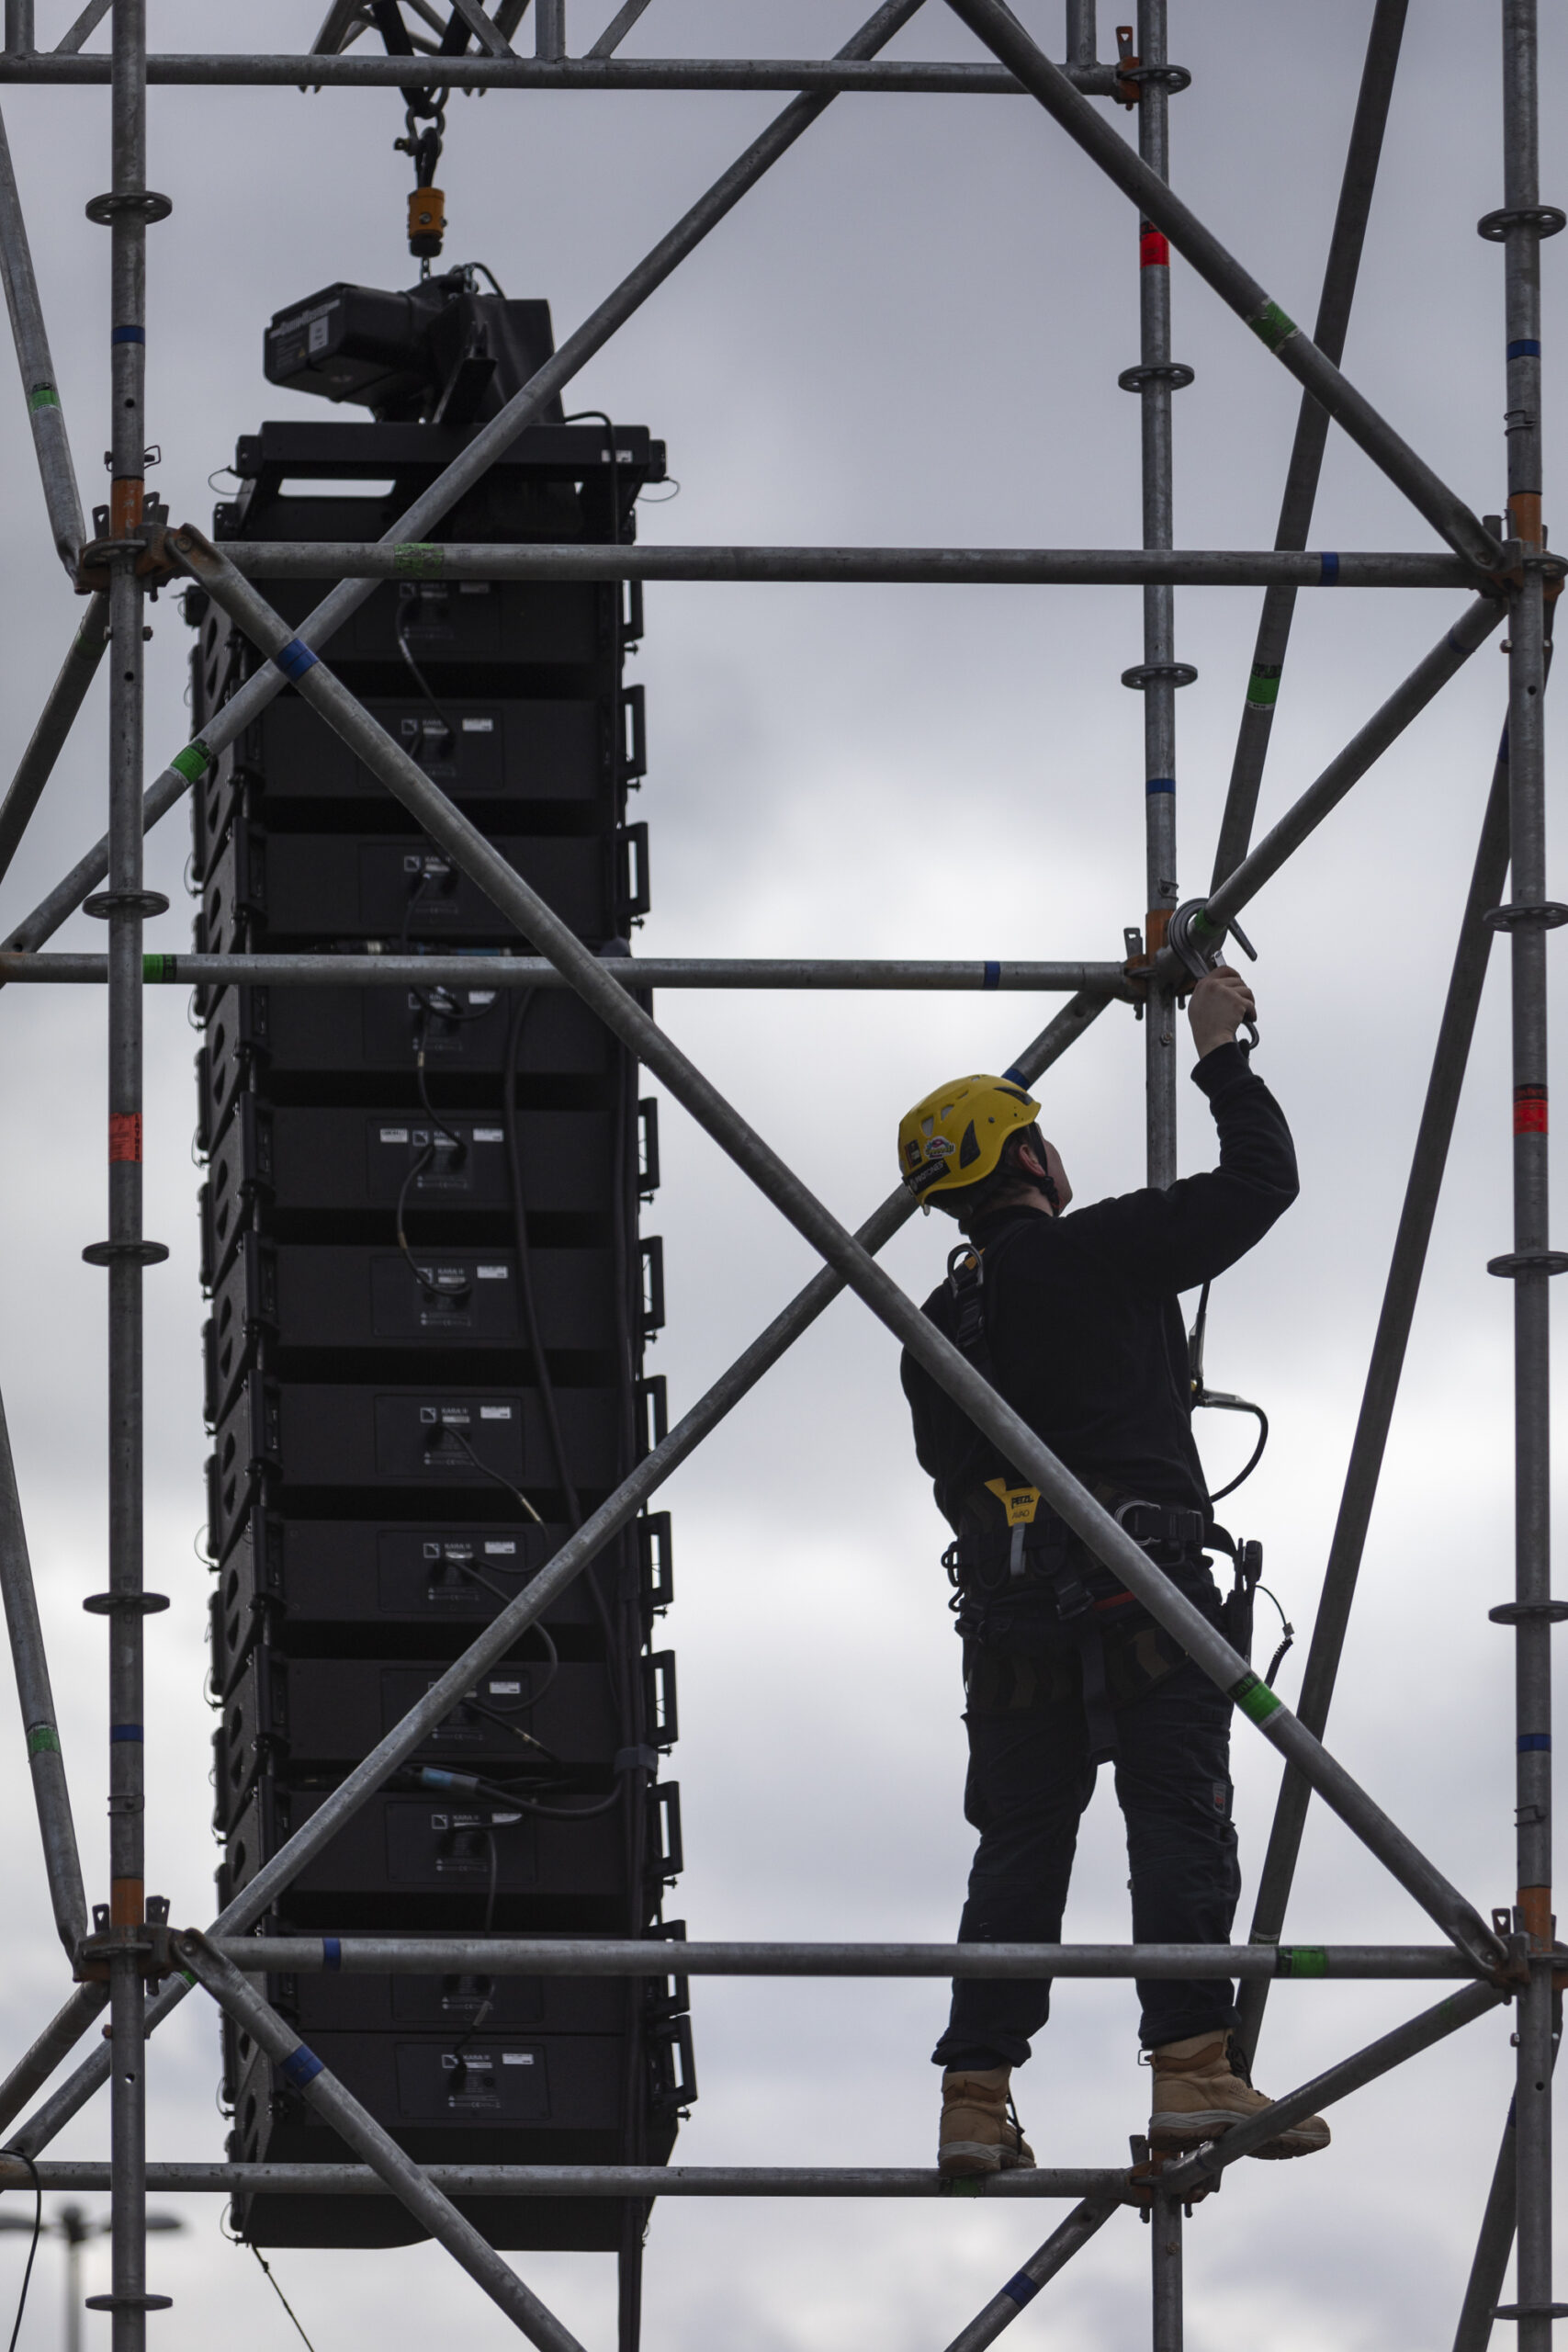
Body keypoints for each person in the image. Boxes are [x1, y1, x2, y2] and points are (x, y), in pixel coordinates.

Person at [897, 966, 1330, 2177]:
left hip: (1012, 1620)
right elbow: (1261, 1184)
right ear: (1020, 1160)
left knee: (1020, 1848)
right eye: (1036, 1138)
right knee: (1178, 1816)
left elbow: (954, 1472)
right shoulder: (1093, 1255)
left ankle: (974, 2099)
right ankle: (1194, 2071)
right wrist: (1219, 1053)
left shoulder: (932, 1335)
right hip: (1144, 1593)